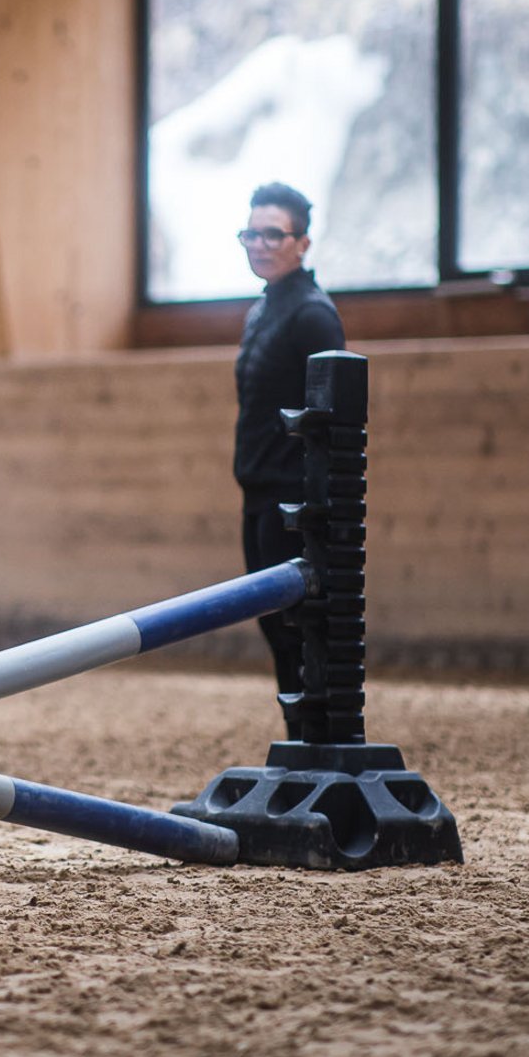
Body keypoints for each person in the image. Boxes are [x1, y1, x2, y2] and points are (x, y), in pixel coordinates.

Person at [232, 181, 346, 729]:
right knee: (275, 626)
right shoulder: (264, 310)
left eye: (272, 234)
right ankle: (299, 736)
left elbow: (335, 416)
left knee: (297, 627)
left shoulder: (312, 316)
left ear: (302, 243)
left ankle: (316, 736)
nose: (259, 244)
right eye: (250, 233)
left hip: (292, 501)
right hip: (258, 492)